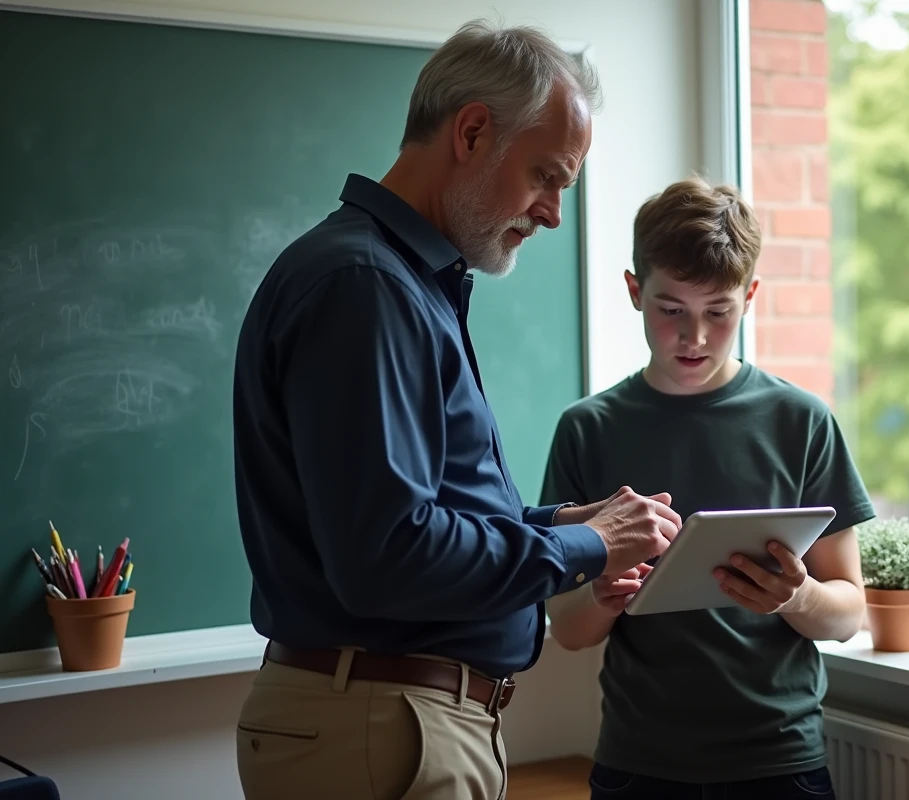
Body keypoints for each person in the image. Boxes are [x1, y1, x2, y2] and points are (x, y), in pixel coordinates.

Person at [231, 19, 681, 800]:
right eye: (548, 177)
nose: (553, 215)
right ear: (472, 132)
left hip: (390, 724)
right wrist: (584, 550)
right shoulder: (365, 288)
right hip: (382, 726)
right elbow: (390, 556)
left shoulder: (393, 282)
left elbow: (413, 521)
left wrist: (565, 527)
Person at [541, 177, 876, 800]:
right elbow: (568, 629)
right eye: (671, 310)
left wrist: (795, 596)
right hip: (641, 764)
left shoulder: (801, 421)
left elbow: (848, 612)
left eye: (718, 312)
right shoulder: (588, 429)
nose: (694, 337)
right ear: (634, 292)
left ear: (750, 297)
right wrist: (605, 598)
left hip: (781, 764)